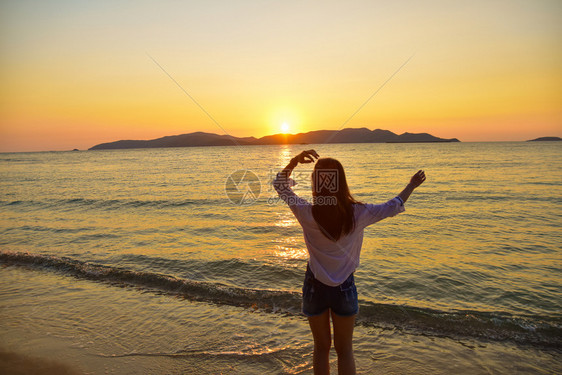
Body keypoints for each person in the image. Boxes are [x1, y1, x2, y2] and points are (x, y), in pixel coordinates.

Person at [273, 149, 426, 374]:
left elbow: (280, 185)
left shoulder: (305, 212)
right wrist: (411, 185)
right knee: (344, 350)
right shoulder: (358, 213)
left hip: (314, 286)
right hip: (344, 288)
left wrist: (295, 161)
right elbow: (393, 206)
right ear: (341, 182)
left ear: (316, 182)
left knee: (321, 348)